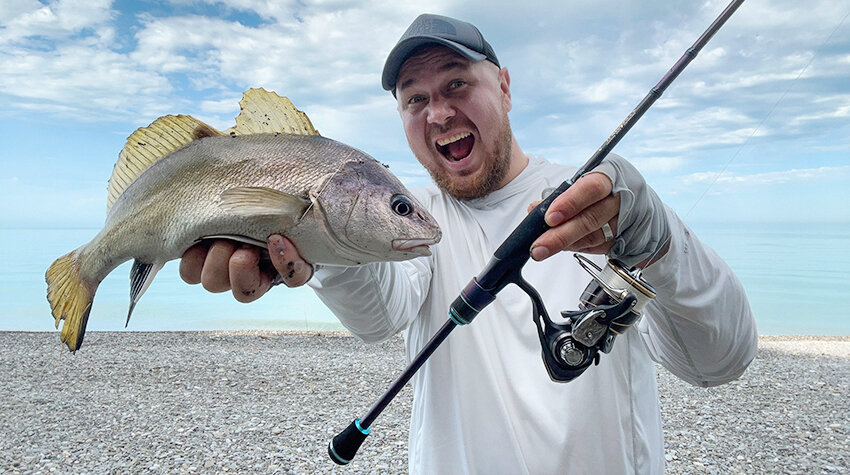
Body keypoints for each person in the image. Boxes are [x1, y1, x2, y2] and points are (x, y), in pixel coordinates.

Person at [180, 14, 757, 474]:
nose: (438, 112)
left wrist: (657, 243)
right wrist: (317, 246)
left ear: (503, 87)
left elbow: (721, 360)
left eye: (457, 82)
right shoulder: (415, 223)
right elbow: (379, 312)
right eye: (413, 98)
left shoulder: (604, 205)